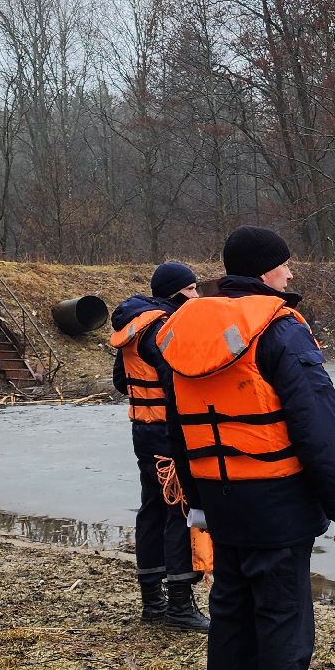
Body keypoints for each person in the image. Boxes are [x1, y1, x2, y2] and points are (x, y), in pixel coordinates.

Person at [151, 225, 335, 670]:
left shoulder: (183, 330)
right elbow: (318, 424)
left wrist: (195, 503)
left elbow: (178, 430)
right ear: (266, 271)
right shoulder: (280, 330)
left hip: (220, 501)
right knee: (283, 620)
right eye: (285, 266)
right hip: (277, 501)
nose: (291, 275)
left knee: (231, 612)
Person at [107, 262, 210, 632]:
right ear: (176, 293)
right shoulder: (166, 327)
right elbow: (180, 384)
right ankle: (180, 606)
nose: (197, 296)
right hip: (169, 434)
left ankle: (153, 600)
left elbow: (122, 381)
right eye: (193, 289)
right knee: (179, 513)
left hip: (143, 432)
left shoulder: (133, 326)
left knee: (152, 509)